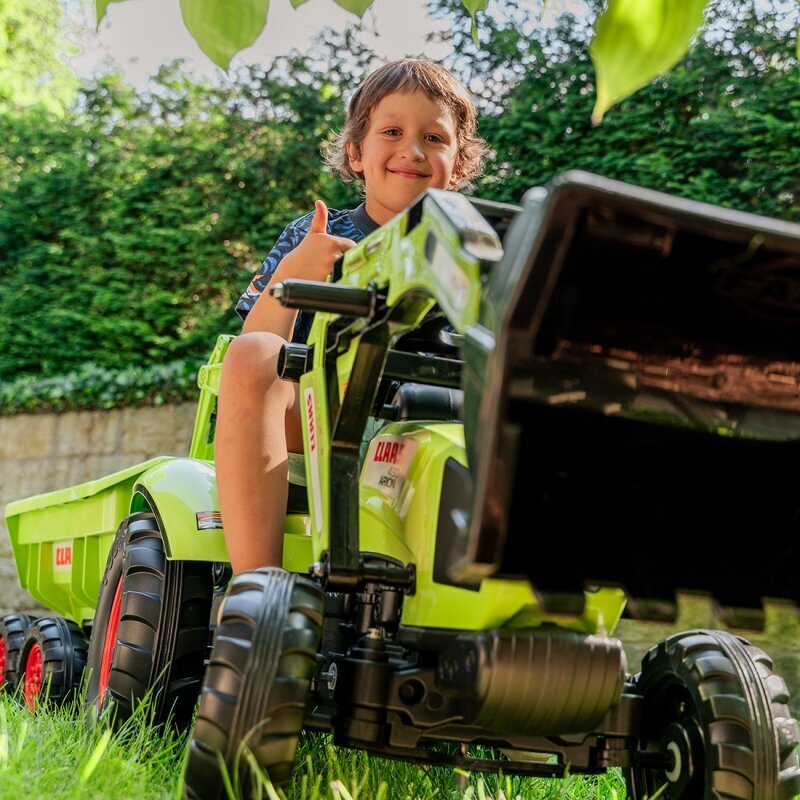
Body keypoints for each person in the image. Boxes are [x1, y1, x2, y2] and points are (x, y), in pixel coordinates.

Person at [216, 57, 489, 573]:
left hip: (438, 425)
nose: (412, 150)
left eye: (434, 138)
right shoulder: (316, 235)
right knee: (254, 354)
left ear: (459, 164)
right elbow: (255, 343)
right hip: (323, 422)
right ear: (356, 153)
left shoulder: (477, 246)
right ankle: (257, 588)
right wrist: (294, 275)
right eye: (392, 131)